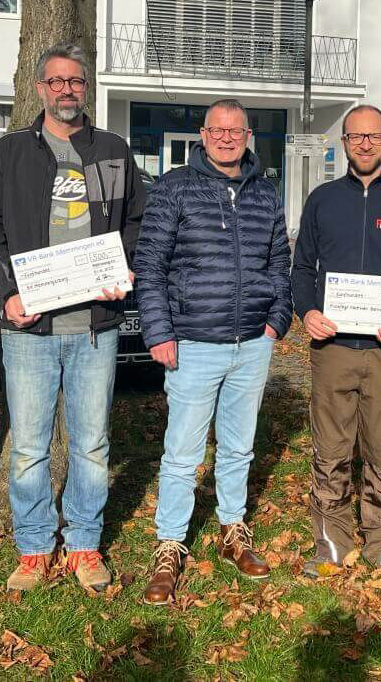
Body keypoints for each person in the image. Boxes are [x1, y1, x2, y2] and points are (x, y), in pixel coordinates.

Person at [0, 43, 146, 594]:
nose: (67, 90)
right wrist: (8, 293)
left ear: (86, 88)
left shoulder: (112, 150)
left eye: (76, 81)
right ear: (41, 88)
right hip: (31, 328)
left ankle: (84, 542)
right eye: (57, 81)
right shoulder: (12, 152)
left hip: (95, 325)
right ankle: (34, 547)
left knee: (92, 444)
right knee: (29, 446)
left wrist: (125, 267)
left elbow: (136, 221)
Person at [133, 99, 292, 605]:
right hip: (193, 343)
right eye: (217, 130)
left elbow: (279, 261)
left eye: (235, 131)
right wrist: (159, 332)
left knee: (239, 446)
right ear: (203, 135)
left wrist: (277, 319)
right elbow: (150, 265)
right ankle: (169, 544)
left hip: (252, 343)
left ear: (248, 136)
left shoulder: (264, 192)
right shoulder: (174, 188)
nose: (226, 138)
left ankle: (232, 529)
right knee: (183, 451)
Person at [292, 104, 381, 589]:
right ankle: (331, 545)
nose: (365, 144)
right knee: (331, 450)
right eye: (356, 136)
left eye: (374, 136)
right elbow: (302, 268)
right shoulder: (323, 200)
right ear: (345, 142)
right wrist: (307, 311)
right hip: (332, 346)